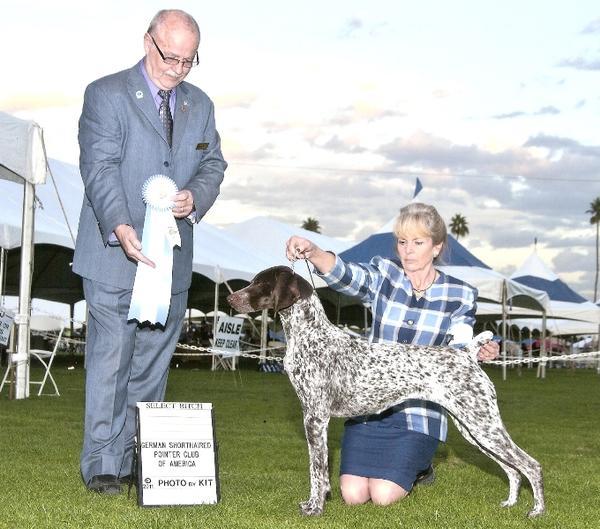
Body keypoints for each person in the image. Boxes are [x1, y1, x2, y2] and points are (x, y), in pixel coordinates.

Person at [73, 9, 227, 494]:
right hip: (114, 253)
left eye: (188, 60)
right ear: (148, 42)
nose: (178, 69)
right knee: (111, 361)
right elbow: (99, 166)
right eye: (170, 57)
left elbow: (214, 163)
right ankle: (101, 461)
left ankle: (144, 458)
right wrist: (120, 225)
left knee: (151, 366)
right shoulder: (106, 94)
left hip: (172, 260)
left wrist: (195, 197)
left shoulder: (200, 104)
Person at [285, 203, 498, 506]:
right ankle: (398, 464)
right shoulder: (385, 274)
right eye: (402, 241)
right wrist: (315, 251)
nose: (407, 251)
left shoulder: (460, 293)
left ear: (436, 247)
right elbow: (347, 275)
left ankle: (422, 467)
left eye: (418, 242)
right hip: (370, 410)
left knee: (383, 496)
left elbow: (460, 345)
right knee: (353, 495)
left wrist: (478, 351)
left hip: (419, 415)